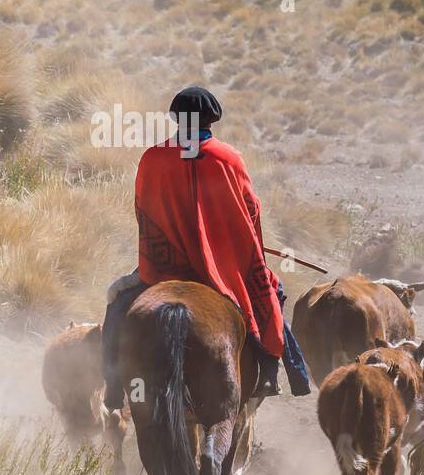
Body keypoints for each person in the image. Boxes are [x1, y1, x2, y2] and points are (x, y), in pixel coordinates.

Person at [102, 86, 310, 411]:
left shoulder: (153, 158)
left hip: (163, 267)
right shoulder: (228, 158)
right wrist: (243, 241)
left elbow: (143, 211)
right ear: (211, 120)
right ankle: (276, 374)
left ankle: (113, 385)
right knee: (269, 293)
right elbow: (251, 209)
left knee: (117, 303)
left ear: (176, 119)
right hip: (223, 268)